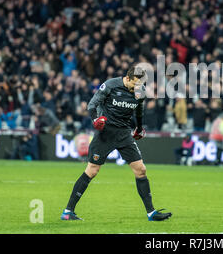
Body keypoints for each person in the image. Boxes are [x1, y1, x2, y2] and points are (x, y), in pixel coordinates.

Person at [61, 64, 172, 221]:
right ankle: (68, 212)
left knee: (141, 170)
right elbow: (92, 105)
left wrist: (139, 128)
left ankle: (151, 213)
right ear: (127, 78)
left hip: (124, 134)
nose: (137, 88)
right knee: (92, 171)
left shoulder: (140, 91)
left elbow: (139, 110)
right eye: (135, 84)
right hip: (105, 133)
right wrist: (95, 120)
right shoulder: (111, 85)